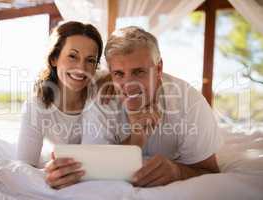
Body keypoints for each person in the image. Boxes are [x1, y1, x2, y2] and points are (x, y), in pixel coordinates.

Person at [82, 26, 222, 187]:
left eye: (139, 72)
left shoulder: (190, 102)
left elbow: (210, 170)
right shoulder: (102, 101)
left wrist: (177, 172)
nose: (129, 85)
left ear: (159, 69)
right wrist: (135, 139)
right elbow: (94, 168)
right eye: (119, 74)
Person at [17, 21, 103, 189]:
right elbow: (24, 165)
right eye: (72, 56)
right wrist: (50, 176)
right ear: (54, 58)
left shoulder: (100, 91)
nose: (81, 68)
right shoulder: (36, 105)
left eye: (90, 60)